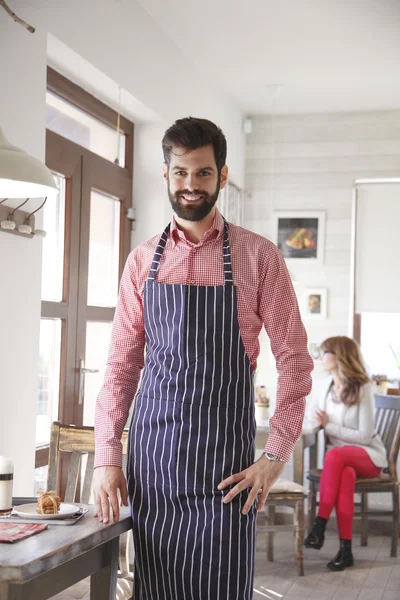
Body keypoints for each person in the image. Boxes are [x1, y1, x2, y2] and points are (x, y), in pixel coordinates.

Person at [93, 117, 313, 599]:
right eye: (180, 173)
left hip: (226, 473)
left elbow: (295, 360)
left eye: (203, 173)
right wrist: (107, 457)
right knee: (156, 590)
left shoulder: (259, 257)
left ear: (223, 175)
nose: (191, 185)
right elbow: (122, 366)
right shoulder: (141, 260)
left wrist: (275, 456)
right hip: (153, 466)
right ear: (166, 176)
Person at [304, 336, 388, 571]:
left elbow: (365, 435)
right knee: (346, 475)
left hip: (368, 456)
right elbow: (314, 414)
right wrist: (322, 421)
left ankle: (319, 526)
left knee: (335, 456)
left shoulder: (363, 388)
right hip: (341, 462)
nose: (320, 357)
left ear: (339, 355)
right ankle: (346, 550)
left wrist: (329, 426)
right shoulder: (325, 385)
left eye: (324, 352)